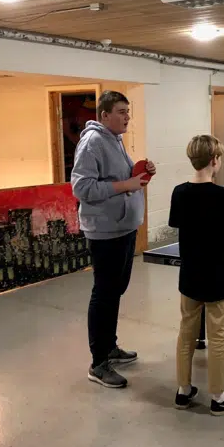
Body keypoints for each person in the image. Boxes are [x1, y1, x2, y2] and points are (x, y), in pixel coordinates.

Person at [71, 90, 156, 388]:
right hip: (105, 231)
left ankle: (110, 347)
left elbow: (118, 178)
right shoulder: (92, 142)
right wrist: (126, 185)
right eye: (121, 112)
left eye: (128, 112)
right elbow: (82, 189)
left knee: (115, 291)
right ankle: (98, 364)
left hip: (123, 228)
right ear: (104, 115)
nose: (127, 117)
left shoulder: (115, 140)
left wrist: (141, 173)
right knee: (105, 294)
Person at [168, 135, 224, 416]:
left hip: (190, 274)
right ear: (214, 160)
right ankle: (219, 397)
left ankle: (183, 391)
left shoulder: (179, 192)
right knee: (217, 337)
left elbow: (178, 224)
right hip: (216, 276)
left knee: (186, 334)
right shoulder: (223, 196)